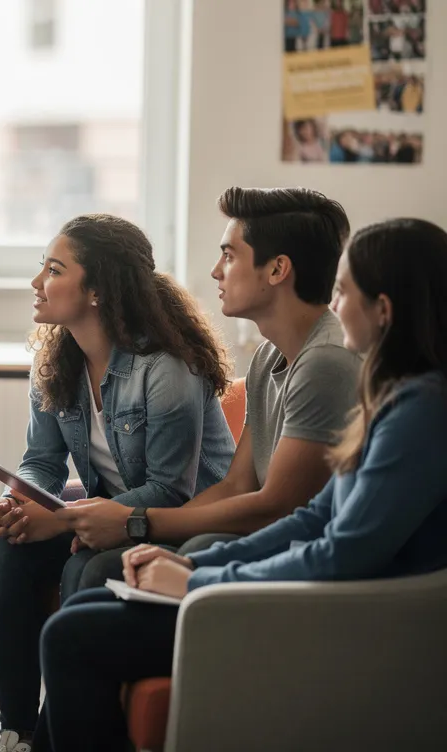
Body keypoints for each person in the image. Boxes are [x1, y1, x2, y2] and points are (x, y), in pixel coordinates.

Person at [34, 217, 447, 751]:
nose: (334, 304)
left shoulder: (421, 412)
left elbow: (343, 552)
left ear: (383, 311)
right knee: (84, 611)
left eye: (344, 291)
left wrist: (203, 584)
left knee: (70, 637)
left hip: (354, 620)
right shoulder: (396, 396)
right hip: (327, 599)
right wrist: (195, 565)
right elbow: (315, 517)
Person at [0, 214, 236, 752]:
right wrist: (17, 501)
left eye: (53, 270)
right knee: (4, 550)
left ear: (97, 290)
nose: (36, 283)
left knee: (88, 565)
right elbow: (41, 462)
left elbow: (172, 489)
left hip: (177, 524)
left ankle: (55, 736)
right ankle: (17, 732)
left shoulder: (167, 368)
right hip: (107, 512)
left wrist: (65, 517)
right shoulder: (57, 359)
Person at [60, 187, 361, 592]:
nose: (217, 270)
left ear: (277, 270)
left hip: (303, 555)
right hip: (267, 531)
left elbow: (275, 506)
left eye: (229, 255)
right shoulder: (268, 355)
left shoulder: (325, 361)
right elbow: (238, 484)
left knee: (107, 569)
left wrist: (137, 524)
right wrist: (141, 529)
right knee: (99, 562)